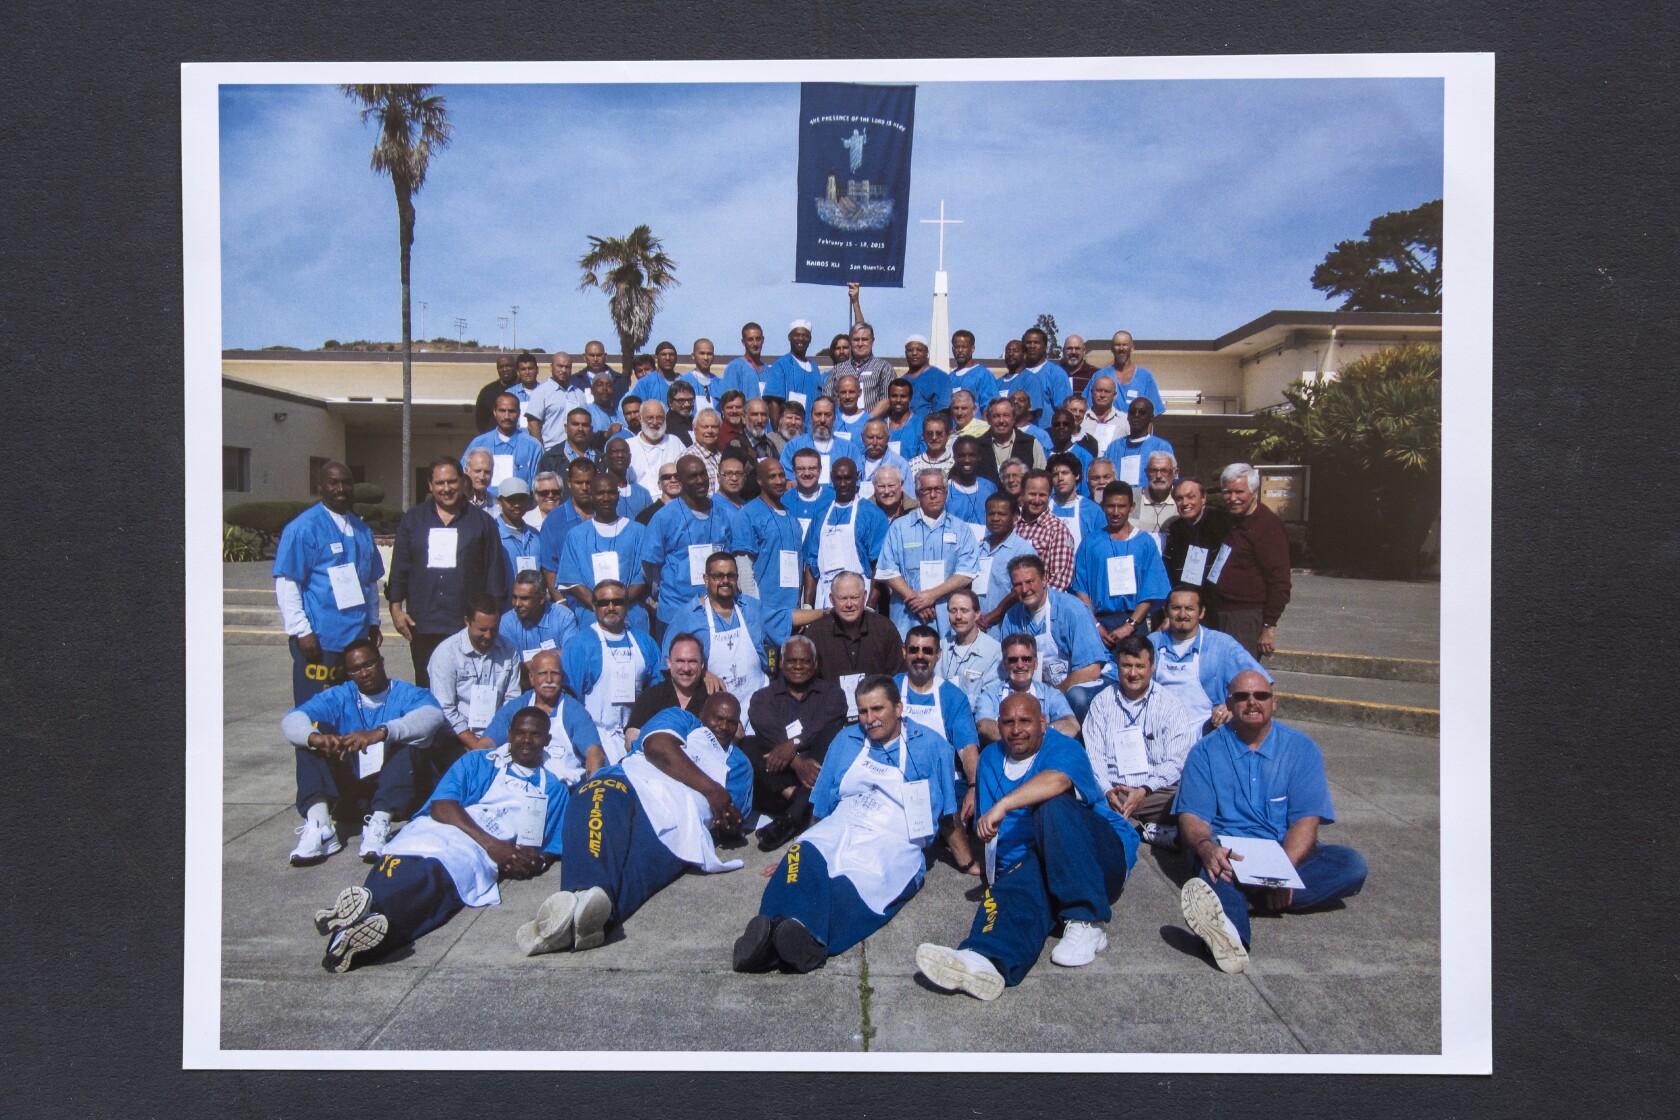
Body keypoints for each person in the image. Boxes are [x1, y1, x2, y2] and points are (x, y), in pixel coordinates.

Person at [914, 691, 1137, 999]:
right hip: (1041, 863)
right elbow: (999, 846)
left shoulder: (1065, 748)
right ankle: (985, 959)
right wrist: (1010, 883)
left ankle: (1087, 919)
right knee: (1020, 884)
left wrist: (1005, 804)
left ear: (1043, 723)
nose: (1016, 729)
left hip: (1097, 857)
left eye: (1025, 721)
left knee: (1051, 806)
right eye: (1008, 722)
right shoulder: (992, 758)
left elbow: (1058, 781)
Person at [312, 708, 568, 973]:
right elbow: (442, 806)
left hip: (468, 853)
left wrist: (530, 862)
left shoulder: (553, 789)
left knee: (431, 887)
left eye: (535, 735)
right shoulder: (479, 761)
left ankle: (347, 935)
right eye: (521, 733)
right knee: (396, 864)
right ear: (509, 735)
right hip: (439, 831)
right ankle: (363, 912)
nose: (526, 740)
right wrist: (495, 847)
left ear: (547, 740)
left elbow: (547, 849)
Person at [733, 675, 956, 974]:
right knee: (804, 852)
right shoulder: (847, 740)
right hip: (844, 821)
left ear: (899, 708)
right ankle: (769, 936)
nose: (869, 719)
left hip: (894, 835)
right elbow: (822, 804)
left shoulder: (932, 746)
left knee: (861, 880)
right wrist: (796, 853)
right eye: (863, 711)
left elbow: (947, 814)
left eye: (877, 709)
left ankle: (806, 944)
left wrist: (967, 861)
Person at [519, 694, 754, 956]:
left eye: (731, 722)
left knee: (637, 871)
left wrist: (731, 826)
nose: (723, 726)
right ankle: (581, 901)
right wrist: (713, 790)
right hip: (629, 782)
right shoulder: (682, 719)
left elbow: (732, 817)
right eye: (717, 718)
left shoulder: (740, 765)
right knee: (593, 798)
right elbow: (657, 746)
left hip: (678, 821)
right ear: (702, 714)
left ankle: (572, 917)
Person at [1175, 671, 1368, 974]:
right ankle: (1233, 938)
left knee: (1351, 864)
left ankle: (1245, 899)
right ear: (1229, 703)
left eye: (1260, 696)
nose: (1252, 702)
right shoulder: (1205, 752)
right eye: (1242, 696)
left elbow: (1305, 821)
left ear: (1274, 703)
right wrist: (1206, 847)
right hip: (1229, 854)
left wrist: (1279, 877)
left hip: (1282, 853)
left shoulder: (1301, 749)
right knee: (1212, 870)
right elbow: (1193, 817)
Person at [281, 639, 444, 866]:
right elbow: (292, 719)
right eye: (355, 669)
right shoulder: (340, 695)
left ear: (381, 661)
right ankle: (320, 826)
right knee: (308, 741)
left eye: (369, 664)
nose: (364, 673)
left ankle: (379, 824)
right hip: (352, 793)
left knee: (408, 740)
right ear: (348, 673)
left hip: (396, 793)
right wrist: (315, 738)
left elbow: (433, 716)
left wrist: (382, 733)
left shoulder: (406, 692)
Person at [388, 458, 507, 686]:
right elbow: (400, 566)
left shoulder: (482, 523)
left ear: (463, 482)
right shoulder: (413, 520)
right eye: (440, 483)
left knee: (467, 687)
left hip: (465, 624)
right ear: (430, 486)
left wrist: (488, 622)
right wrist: (395, 608)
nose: (446, 489)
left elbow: (493, 574)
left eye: (452, 482)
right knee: (427, 686)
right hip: (423, 623)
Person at [273, 460, 384, 706]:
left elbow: (369, 583)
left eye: (346, 483)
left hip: (356, 641)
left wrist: (373, 622)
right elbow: (287, 582)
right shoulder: (303, 528)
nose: (341, 489)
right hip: (320, 641)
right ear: (320, 485)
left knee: (353, 711)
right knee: (318, 713)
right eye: (333, 483)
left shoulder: (362, 530)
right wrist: (301, 630)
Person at [1080, 634, 1200, 845]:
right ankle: (1141, 828)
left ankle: (1125, 822)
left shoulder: (1169, 704)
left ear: (1152, 666)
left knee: (1189, 801)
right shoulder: (1102, 702)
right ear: (1117, 667)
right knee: (1081, 795)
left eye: (1140, 666)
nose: (1133, 673)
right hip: (1113, 790)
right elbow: (1094, 755)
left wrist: (1143, 790)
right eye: (1126, 666)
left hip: (1154, 793)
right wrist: (1108, 790)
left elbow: (1177, 760)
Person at [743, 635, 848, 850]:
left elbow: (825, 725)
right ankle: (802, 804)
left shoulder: (833, 694)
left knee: (831, 737)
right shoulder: (763, 697)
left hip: (817, 768)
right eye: (792, 661)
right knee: (748, 745)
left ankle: (792, 817)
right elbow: (768, 732)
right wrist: (797, 762)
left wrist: (794, 744)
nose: (798, 666)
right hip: (781, 781)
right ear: (781, 663)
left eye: (805, 661)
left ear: (815, 664)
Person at [896, 624, 983, 875]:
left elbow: (967, 750)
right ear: (905, 652)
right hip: (898, 777)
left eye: (927, 650)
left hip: (943, 781)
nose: (920, 656)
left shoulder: (952, 696)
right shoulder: (891, 689)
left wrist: (974, 787)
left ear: (938, 655)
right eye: (914, 650)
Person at [1000, 554, 1113, 720]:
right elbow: (1009, 667)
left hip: (1085, 683)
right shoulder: (1012, 617)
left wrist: (1053, 695)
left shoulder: (1072, 609)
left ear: (1045, 579)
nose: (1025, 590)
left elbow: (1091, 669)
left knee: (1077, 697)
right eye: (1018, 585)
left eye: (1030, 582)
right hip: (1041, 689)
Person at [560, 581, 662, 763]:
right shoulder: (579, 645)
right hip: (596, 738)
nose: (611, 607)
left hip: (636, 735)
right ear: (593, 606)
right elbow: (569, 701)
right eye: (604, 603)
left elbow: (657, 690)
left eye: (617, 602)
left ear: (627, 604)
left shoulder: (644, 642)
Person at [639, 454, 740, 635]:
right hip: (676, 612)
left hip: (715, 610)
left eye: (703, 474)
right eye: (693, 476)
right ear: (680, 480)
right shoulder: (665, 517)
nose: (700, 480)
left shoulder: (721, 513)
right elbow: (650, 566)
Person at [874, 467, 982, 638]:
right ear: (917, 494)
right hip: (906, 617)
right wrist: (916, 601)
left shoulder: (962, 529)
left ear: (946, 493)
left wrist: (931, 596)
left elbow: (966, 573)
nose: (933, 495)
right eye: (927, 490)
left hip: (948, 620)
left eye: (938, 489)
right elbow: (888, 570)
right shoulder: (899, 528)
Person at [479, 648, 606, 787]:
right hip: (517, 786)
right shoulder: (516, 706)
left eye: (555, 673)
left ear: (562, 677)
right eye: (543, 673)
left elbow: (595, 753)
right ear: (532, 678)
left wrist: (592, 790)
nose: (549, 679)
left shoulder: (574, 710)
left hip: (563, 789)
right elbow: (486, 744)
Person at [1149, 586, 1270, 730]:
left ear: (1201, 612)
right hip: (1159, 728)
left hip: (1207, 732)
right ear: (1166, 611)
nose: (1182, 614)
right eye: (1176, 608)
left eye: (1189, 608)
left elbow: (1262, 681)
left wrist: (1233, 705)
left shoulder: (1222, 644)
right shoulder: (1152, 642)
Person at [427, 594, 524, 771]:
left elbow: (512, 700)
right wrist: (477, 745)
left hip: (499, 736)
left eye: (494, 629)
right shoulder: (446, 654)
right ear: (467, 621)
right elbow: (445, 708)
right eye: (482, 629)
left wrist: (493, 740)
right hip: (456, 738)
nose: (488, 636)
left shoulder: (509, 650)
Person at [1071, 481, 1172, 647]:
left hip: (1134, 622)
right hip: (1098, 623)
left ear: (1131, 507)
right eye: (1110, 506)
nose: (1116, 512)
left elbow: (1152, 589)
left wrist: (1130, 625)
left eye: (1121, 506)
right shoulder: (1091, 542)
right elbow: (1081, 588)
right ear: (1103, 506)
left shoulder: (1145, 542)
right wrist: (1095, 625)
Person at [660, 552, 771, 702]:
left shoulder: (751, 607)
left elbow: (786, 618)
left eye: (731, 576)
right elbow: (668, 663)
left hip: (757, 703)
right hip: (714, 709)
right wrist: (702, 672)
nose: (725, 581)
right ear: (706, 579)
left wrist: (813, 611)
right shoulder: (688, 616)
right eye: (718, 576)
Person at [551, 470, 651, 630]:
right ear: (591, 496)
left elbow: (642, 578)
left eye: (611, 492)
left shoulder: (638, 531)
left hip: (631, 615)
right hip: (590, 617)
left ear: (618, 495)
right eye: (600, 493)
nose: (606, 498)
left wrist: (618, 606)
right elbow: (573, 581)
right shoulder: (577, 535)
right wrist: (600, 606)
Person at [1212, 463, 1293, 659]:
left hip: (1245, 616)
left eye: (1239, 492)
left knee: (1240, 676)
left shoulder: (1267, 526)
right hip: (1219, 610)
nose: (1232, 498)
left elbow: (1279, 581)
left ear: (1254, 491)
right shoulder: (1229, 520)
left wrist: (1269, 625)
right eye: (1227, 492)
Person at [803, 571, 906, 720]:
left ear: (864, 596)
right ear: (832, 599)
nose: (849, 604)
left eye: (855, 597)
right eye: (843, 598)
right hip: (831, 718)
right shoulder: (816, 632)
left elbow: (898, 677)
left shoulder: (884, 628)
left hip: (877, 717)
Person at [728, 457, 805, 647]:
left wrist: (801, 608)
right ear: (760, 481)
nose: (779, 481)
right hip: (765, 612)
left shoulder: (791, 516)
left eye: (781, 475)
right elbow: (743, 568)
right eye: (772, 477)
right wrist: (754, 610)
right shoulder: (748, 514)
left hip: (791, 611)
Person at [800, 458, 889, 610]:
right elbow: (811, 564)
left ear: (858, 476)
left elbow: (880, 566)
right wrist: (808, 605)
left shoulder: (872, 514)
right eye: (838, 478)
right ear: (831, 477)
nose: (842, 484)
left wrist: (870, 606)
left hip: (859, 598)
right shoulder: (820, 516)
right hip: (826, 598)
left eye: (847, 478)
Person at [975, 634, 1079, 742]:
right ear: (1004, 664)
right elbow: (984, 726)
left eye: (1026, 659)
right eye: (1013, 660)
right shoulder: (989, 695)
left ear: (1036, 663)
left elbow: (1072, 725)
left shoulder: (1051, 694)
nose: (1020, 665)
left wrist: (1032, 736)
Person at [1162, 476, 1232, 620]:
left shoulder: (1221, 523)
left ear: (1204, 498)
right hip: (1188, 605)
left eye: (1190, 497)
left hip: (1219, 604)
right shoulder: (1175, 529)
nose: (1185, 503)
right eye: (1179, 499)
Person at [624, 631, 710, 744]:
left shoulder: (712, 696)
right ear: (669, 663)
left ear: (702, 664)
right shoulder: (653, 696)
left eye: (692, 662)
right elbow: (631, 735)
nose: (686, 668)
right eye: (680, 661)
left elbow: (735, 731)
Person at [498, 568, 581, 676]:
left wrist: (529, 665)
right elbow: (512, 668)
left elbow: (572, 655)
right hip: (523, 685)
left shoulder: (563, 616)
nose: (517, 604)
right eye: (514, 597)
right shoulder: (506, 622)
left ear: (541, 598)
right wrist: (556, 655)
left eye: (524, 598)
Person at [462, 392, 545, 498]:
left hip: (519, 508)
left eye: (511, 411)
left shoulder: (533, 446)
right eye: (502, 411)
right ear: (494, 412)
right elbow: (463, 478)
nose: (506, 416)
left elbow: (539, 484)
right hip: (483, 507)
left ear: (519, 413)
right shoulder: (478, 443)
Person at [974, 491, 1037, 625]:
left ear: (1015, 517)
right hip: (976, 624)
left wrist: (992, 616)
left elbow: (1021, 590)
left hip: (1008, 624)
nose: (995, 518)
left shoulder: (1023, 550)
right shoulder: (977, 548)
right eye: (991, 514)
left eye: (1002, 514)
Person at [937, 586, 1002, 712]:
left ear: (977, 614)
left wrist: (953, 703)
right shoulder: (941, 647)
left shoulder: (994, 651)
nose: (958, 616)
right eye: (953, 611)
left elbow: (991, 697)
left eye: (964, 610)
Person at [1012, 469, 1076, 590]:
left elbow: (1060, 581)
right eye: (1032, 494)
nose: (1036, 500)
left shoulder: (1058, 531)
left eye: (1042, 495)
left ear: (1049, 496)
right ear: (1022, 494)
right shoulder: (1013, 525)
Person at [1084, 330, 1166, 418]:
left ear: (1132, 347)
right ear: (1112, 348)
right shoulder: (1099, 376)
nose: (1121, 348)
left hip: (1135, 431)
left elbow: (1153, 414)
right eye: (1117, 345)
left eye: (1125, 345)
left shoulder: (1145, 377)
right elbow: (1086, 408)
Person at [778, 396, 855, 486]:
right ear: (811, 416)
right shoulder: (793, 446)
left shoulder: (848, 449)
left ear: (834, 417)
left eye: (827, 415)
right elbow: (788, 482)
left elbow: (855, 483)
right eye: (818, 414)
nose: (822, 420)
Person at [763, 320, 825, 429]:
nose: (801, 339)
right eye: (797, 335)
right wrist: (778, 435)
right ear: (789, 337)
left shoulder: (814, 368)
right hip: (787, 431)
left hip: (808, 433)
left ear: (810, 339)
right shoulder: (781, 365)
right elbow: (773, 403)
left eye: (805, 336)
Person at [825, 320, 896, 414]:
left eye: (865, 339)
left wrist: (864, 422)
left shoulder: (884, 368)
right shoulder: (837, 369)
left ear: (872, 341)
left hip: (871, 425)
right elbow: (827, 399)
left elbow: (886, 401)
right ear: (850, 342)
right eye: (856, 340)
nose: (860, 344)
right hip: (842, 426)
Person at [489, 478, 542, 604]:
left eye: (521, 499)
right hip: (504, 608)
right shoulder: (492, 533)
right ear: (500, 501)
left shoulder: (535, 536)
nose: (517, 504)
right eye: (511, 499)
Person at [1108, 398, 1176, 490]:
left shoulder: (1161, 446)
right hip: (1119, 500)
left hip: (1149, 500)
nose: (1136, 415)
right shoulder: (1114, 446)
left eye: (1142, 412)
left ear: (1151, 417)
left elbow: (1171, 478)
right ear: (1127, 416)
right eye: (1132, 412)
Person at [1047, 451, 1104, 550]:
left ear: (1076, 475)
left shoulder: (1093, 510)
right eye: (1055, 474)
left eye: (1065, 473)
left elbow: (1101, 545)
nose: (1060, 478)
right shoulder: (1045, 505)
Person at [623, 399, 685, 491]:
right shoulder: (628, 446)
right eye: (650, 418)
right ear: (640, 419)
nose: (655, 422)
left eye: (659, 417)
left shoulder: (674, 442)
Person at [981, 397, 1046, 482]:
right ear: (988, 419)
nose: (1001, 421)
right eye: (996, 416)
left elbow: (1041, 479)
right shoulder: (978, 446)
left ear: (1014, 418)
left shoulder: (1030, 444)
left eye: (1006, 415)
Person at [943, 435, 997, 535]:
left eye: (972, 455)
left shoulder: (990, 488)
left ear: (979, 457)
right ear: (954, 458)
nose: (967, 460)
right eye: (962, 456)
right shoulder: (945, 490)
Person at [528, 361, 587, 450]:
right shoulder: (540, 392)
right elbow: (533, 425)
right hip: (550, 450)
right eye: (560, 366)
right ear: (551, 367)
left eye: (567, 367)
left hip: (576, 452)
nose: (563, 370)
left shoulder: (579, 394)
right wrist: (541, 451)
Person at [782, 447, 835, 543]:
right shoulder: (783, 500)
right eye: (801, 469)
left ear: (820, 470)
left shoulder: (833, 499)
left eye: (812, 468)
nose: (807, 473)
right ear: (794, 471)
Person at [1132, 451, 1180, 548]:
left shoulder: (1180, 500)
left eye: (1165, 471)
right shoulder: (1133, 497)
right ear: (1146, 473)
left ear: (1175, 473)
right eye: (1153, 471)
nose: (1158, 476)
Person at [993, 337, 1046, 424]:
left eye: (1015, 351)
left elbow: (1032, 413)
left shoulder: (1031, 380)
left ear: (1024, 355)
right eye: (1008, 351)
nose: (1011, 354)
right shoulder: (997, 382)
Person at [598, 437, 651, 521]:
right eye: (615, 451)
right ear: (605, 457)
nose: (620, 455)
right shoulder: (598, 493)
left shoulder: (642, 494)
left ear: (630, 457)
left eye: (624, 452)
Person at [534, 407, 598, 476]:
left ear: (591, 430)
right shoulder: (551, 458)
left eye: (585, 425)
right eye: (575, 424)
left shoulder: (601, 459)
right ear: (566, 428)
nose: (580, 429)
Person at [856, 418, 910, 499]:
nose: (874, 442)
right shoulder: (855, 460)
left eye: (879, 438)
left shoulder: (900, 464)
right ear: (862, 438)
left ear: (888, 439)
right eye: (870, 437)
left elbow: (909, 499)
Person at [947, 330, 998, 410]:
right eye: (957, 347)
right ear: (953, 349)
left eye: (964, 347)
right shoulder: (949, 378)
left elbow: (991, 408)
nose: (960, 350)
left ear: (972, 349)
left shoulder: (983, 374)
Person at [901, 334, 951, 415]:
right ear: (905, 353)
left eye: (919, 350)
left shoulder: (939, 377)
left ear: (927, 352)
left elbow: (943, 412)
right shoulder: (903, 380)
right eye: (910, 350)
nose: (914, 353)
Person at [721, 322, 770, 400]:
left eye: (758, 339)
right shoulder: (735, 367)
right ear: (743, 342)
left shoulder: (768, 370)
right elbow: (729, 401)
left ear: (763, 340)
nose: (755, 343)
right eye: (750, 339)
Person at [1080, 375, 1128, 453]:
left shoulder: (1125, 420)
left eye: (1107, 391)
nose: (1102, 395)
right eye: (1098, 390)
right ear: (1091, 393)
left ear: (1114, 395)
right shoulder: (1081, 420)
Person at [881, 377, 924, 461]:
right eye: (894, 396)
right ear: (888, 397)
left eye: (903, 396)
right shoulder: (881, 425)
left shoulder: (920, 425)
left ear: (910, 398)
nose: (898, 400)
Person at [475, 354, 518, 434]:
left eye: (508, 366)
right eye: (501, 367)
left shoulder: (525, 389)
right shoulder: (487, 392)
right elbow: (481, 421)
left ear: (515, 367)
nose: (505, 369)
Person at [688, 408, 727, 494]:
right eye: (705, 427)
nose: (710, 431)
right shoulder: (689, 457)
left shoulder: (721, 455)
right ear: (694, 429)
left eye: (714, 427)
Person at [632, 460, 682, 527]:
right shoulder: (646, 516)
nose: (673, 480)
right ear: (659, 484)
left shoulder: (692, 510)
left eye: (677, 476)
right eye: (667, 477)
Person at [906, 412, 955, 480]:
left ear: (948, 436)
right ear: (923, 436)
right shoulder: (912, 465)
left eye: (939, 433)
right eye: (929, 433)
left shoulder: (954, 465)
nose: (934, 437)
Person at [679, 337, 725, 408]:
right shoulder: (683, 382)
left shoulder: (720, 384)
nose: (706, 358)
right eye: (702, 353)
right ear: (693, 356)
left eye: (709, 354)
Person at [831, 373, 871, 441]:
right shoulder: (831, 416)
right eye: (843, 392)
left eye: (851, 392)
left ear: (859, 393)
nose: (847, 397)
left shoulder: (868, 421)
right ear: (837, 394)